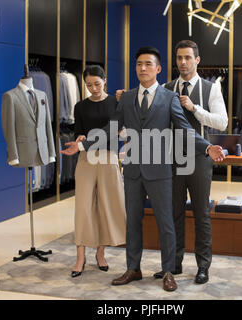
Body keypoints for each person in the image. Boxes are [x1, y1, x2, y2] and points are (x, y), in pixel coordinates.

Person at [63, 46, 225, 291]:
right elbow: (111, 130)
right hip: (133, 169)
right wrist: (83, 145)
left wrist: (206, 148)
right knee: (133, 222)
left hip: (160, 170)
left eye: (148, 64)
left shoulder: (169, 97)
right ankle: (133, 269)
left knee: (166, 222)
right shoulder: (126, 98)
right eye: (139, 64)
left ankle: (169, 271)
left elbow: (183, 129)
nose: (143, 68)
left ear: (158, 69)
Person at [153, 40, 228, 284]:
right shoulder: (165, 87)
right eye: (179, 58)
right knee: (174, 213)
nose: (183, 62)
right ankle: (173, 265)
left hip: (199, 158)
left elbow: (222, 122)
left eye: (187, 57)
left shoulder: (211, 88)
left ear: (197, 60)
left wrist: (195, 108)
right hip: (172, 159)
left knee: (201, 213)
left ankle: (203, 267)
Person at [60, 65, 126, 278]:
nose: (93, 88)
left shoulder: (116, 103)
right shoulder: (80, 106)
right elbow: (79, 131)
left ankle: (101, 253)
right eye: (89, 85)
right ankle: (80, 256)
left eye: (97, 84)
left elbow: (116, 132)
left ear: (105, 81)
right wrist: (79, 137)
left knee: (107, 206)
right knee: (83, 207)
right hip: (86, 158)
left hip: (108, 157)